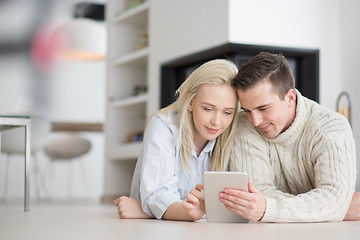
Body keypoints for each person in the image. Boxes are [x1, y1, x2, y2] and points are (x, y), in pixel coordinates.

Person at [216, 52, 358, 222]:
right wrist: (327, 209)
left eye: (263, 108)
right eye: (247, 110)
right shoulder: (244, 125)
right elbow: (257, 194)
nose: (255, 121)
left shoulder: (331, 128)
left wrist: (268, 208)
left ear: (290, 97)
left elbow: (333, 199)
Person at [113, 59, 239, 221]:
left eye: (227, 112)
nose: (216, 121)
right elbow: (157, 195)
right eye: (208, 108)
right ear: (190, 101)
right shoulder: (163, 126)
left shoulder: (233, 133)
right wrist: (193, 212)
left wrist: (147, 212)